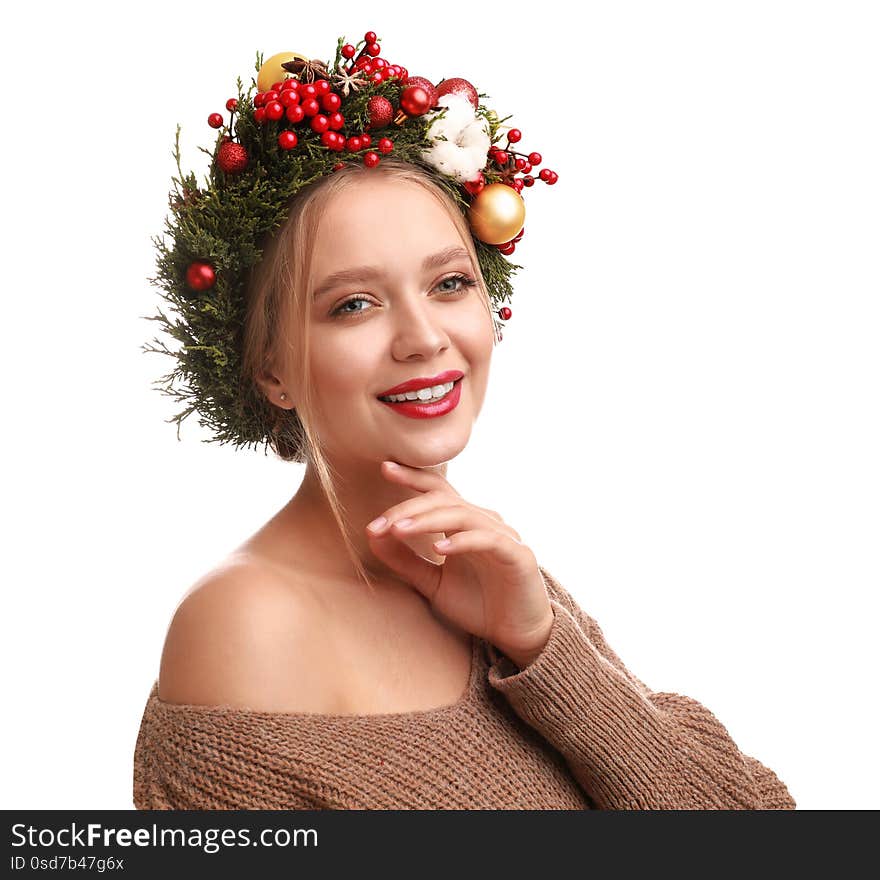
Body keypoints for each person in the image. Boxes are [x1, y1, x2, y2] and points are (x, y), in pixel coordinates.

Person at [133, 30, 797, 810]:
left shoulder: (496, 576)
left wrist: (546, 645)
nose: (424, 338)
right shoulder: (244, 628)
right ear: (271, 368)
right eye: (354, 304)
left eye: (449, 283)